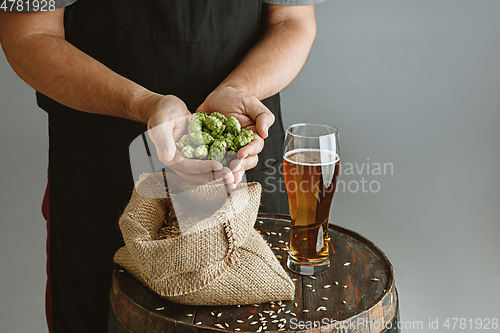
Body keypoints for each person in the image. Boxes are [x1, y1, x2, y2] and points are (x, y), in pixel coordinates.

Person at [0, 0, 321, 332]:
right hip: (102, 160)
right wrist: (143, 103)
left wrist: (238, 90)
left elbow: (291, 20)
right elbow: (29, 34)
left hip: (239, 150)